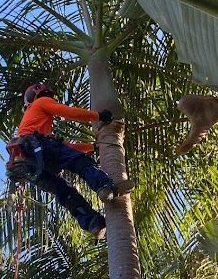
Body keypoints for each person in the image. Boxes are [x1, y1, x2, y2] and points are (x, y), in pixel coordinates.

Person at [7, 82, 132, 238]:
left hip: (30, 165)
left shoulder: (34, 126)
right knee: (79, 162)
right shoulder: (41, 102)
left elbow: (67, 147)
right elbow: (69, 112)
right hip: (37, 148)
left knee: (63, 191)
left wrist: (93, 146)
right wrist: (99, 116)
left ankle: (93, 223)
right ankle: (103, 186)